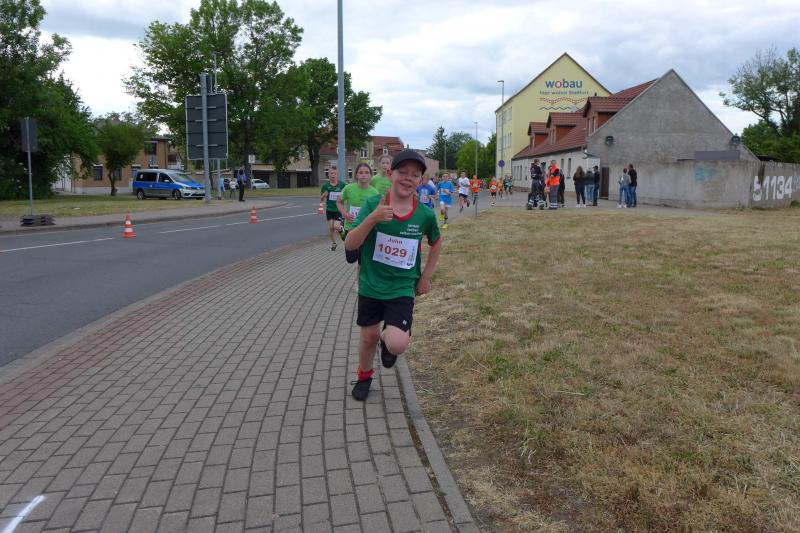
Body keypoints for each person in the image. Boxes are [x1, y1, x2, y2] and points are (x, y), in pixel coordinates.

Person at [344, 149, 442, 401]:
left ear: (421, 180)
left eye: (415, 174)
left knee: (397, 344)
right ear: (390, 174)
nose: (408, 178)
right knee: (368, 337)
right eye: (402, 172)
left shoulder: (424, 214)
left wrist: (426, 277)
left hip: (401, 287)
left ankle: (389, 337)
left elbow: (436, 242)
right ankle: (364, 376)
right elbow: (350, 244)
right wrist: (373, 219)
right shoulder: (373, 205)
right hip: (371, 284)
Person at [320, 166, 346, 249]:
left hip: (338, 209)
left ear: (337, 174)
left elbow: (346, 195)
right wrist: (324, 195)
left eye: (334, 173)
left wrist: (342, 198)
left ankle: (341, 230)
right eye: (331, 173)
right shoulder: (326, 186)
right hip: (329, 210)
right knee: (331, 227)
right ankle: (334, 243)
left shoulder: (342, 185)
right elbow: (321, 199)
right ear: (328, 174)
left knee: (336, 226)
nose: (333, 175)